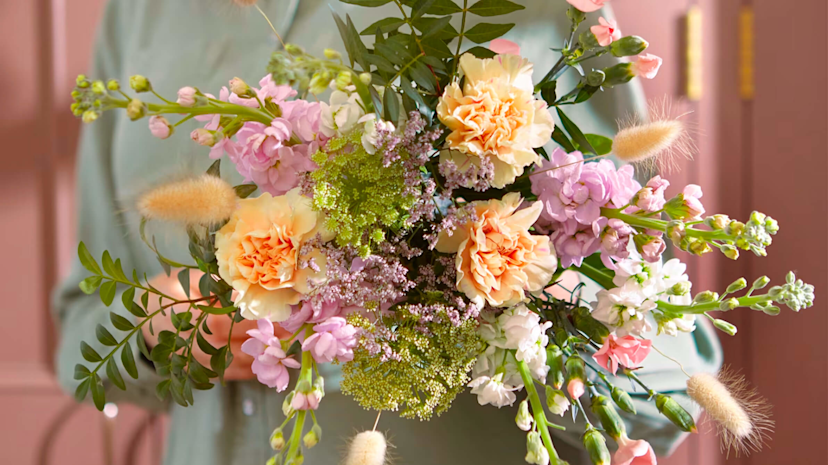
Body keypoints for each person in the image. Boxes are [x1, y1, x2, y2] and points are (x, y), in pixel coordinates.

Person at [52, 1, 722, 464]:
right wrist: (150, 330)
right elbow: (81, 327)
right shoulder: (139, 12)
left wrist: (507, 288)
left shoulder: (542, 14)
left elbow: (666, 362)